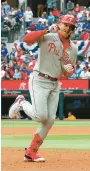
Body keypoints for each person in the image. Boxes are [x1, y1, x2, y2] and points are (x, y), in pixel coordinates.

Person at [9, 15, 77, 162]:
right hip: (39, 79)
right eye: (66, 24)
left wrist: (69, 69)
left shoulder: (74, 48)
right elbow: (27, 39)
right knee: (41, 116)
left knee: (50, 120)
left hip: (54, 83)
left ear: (73, 30)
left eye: (71, 26)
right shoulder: (48, 36)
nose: (68, 28)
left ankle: (31, 152)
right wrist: (45, 30)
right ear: (60, 24)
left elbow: (68, 73)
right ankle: (21, 102)